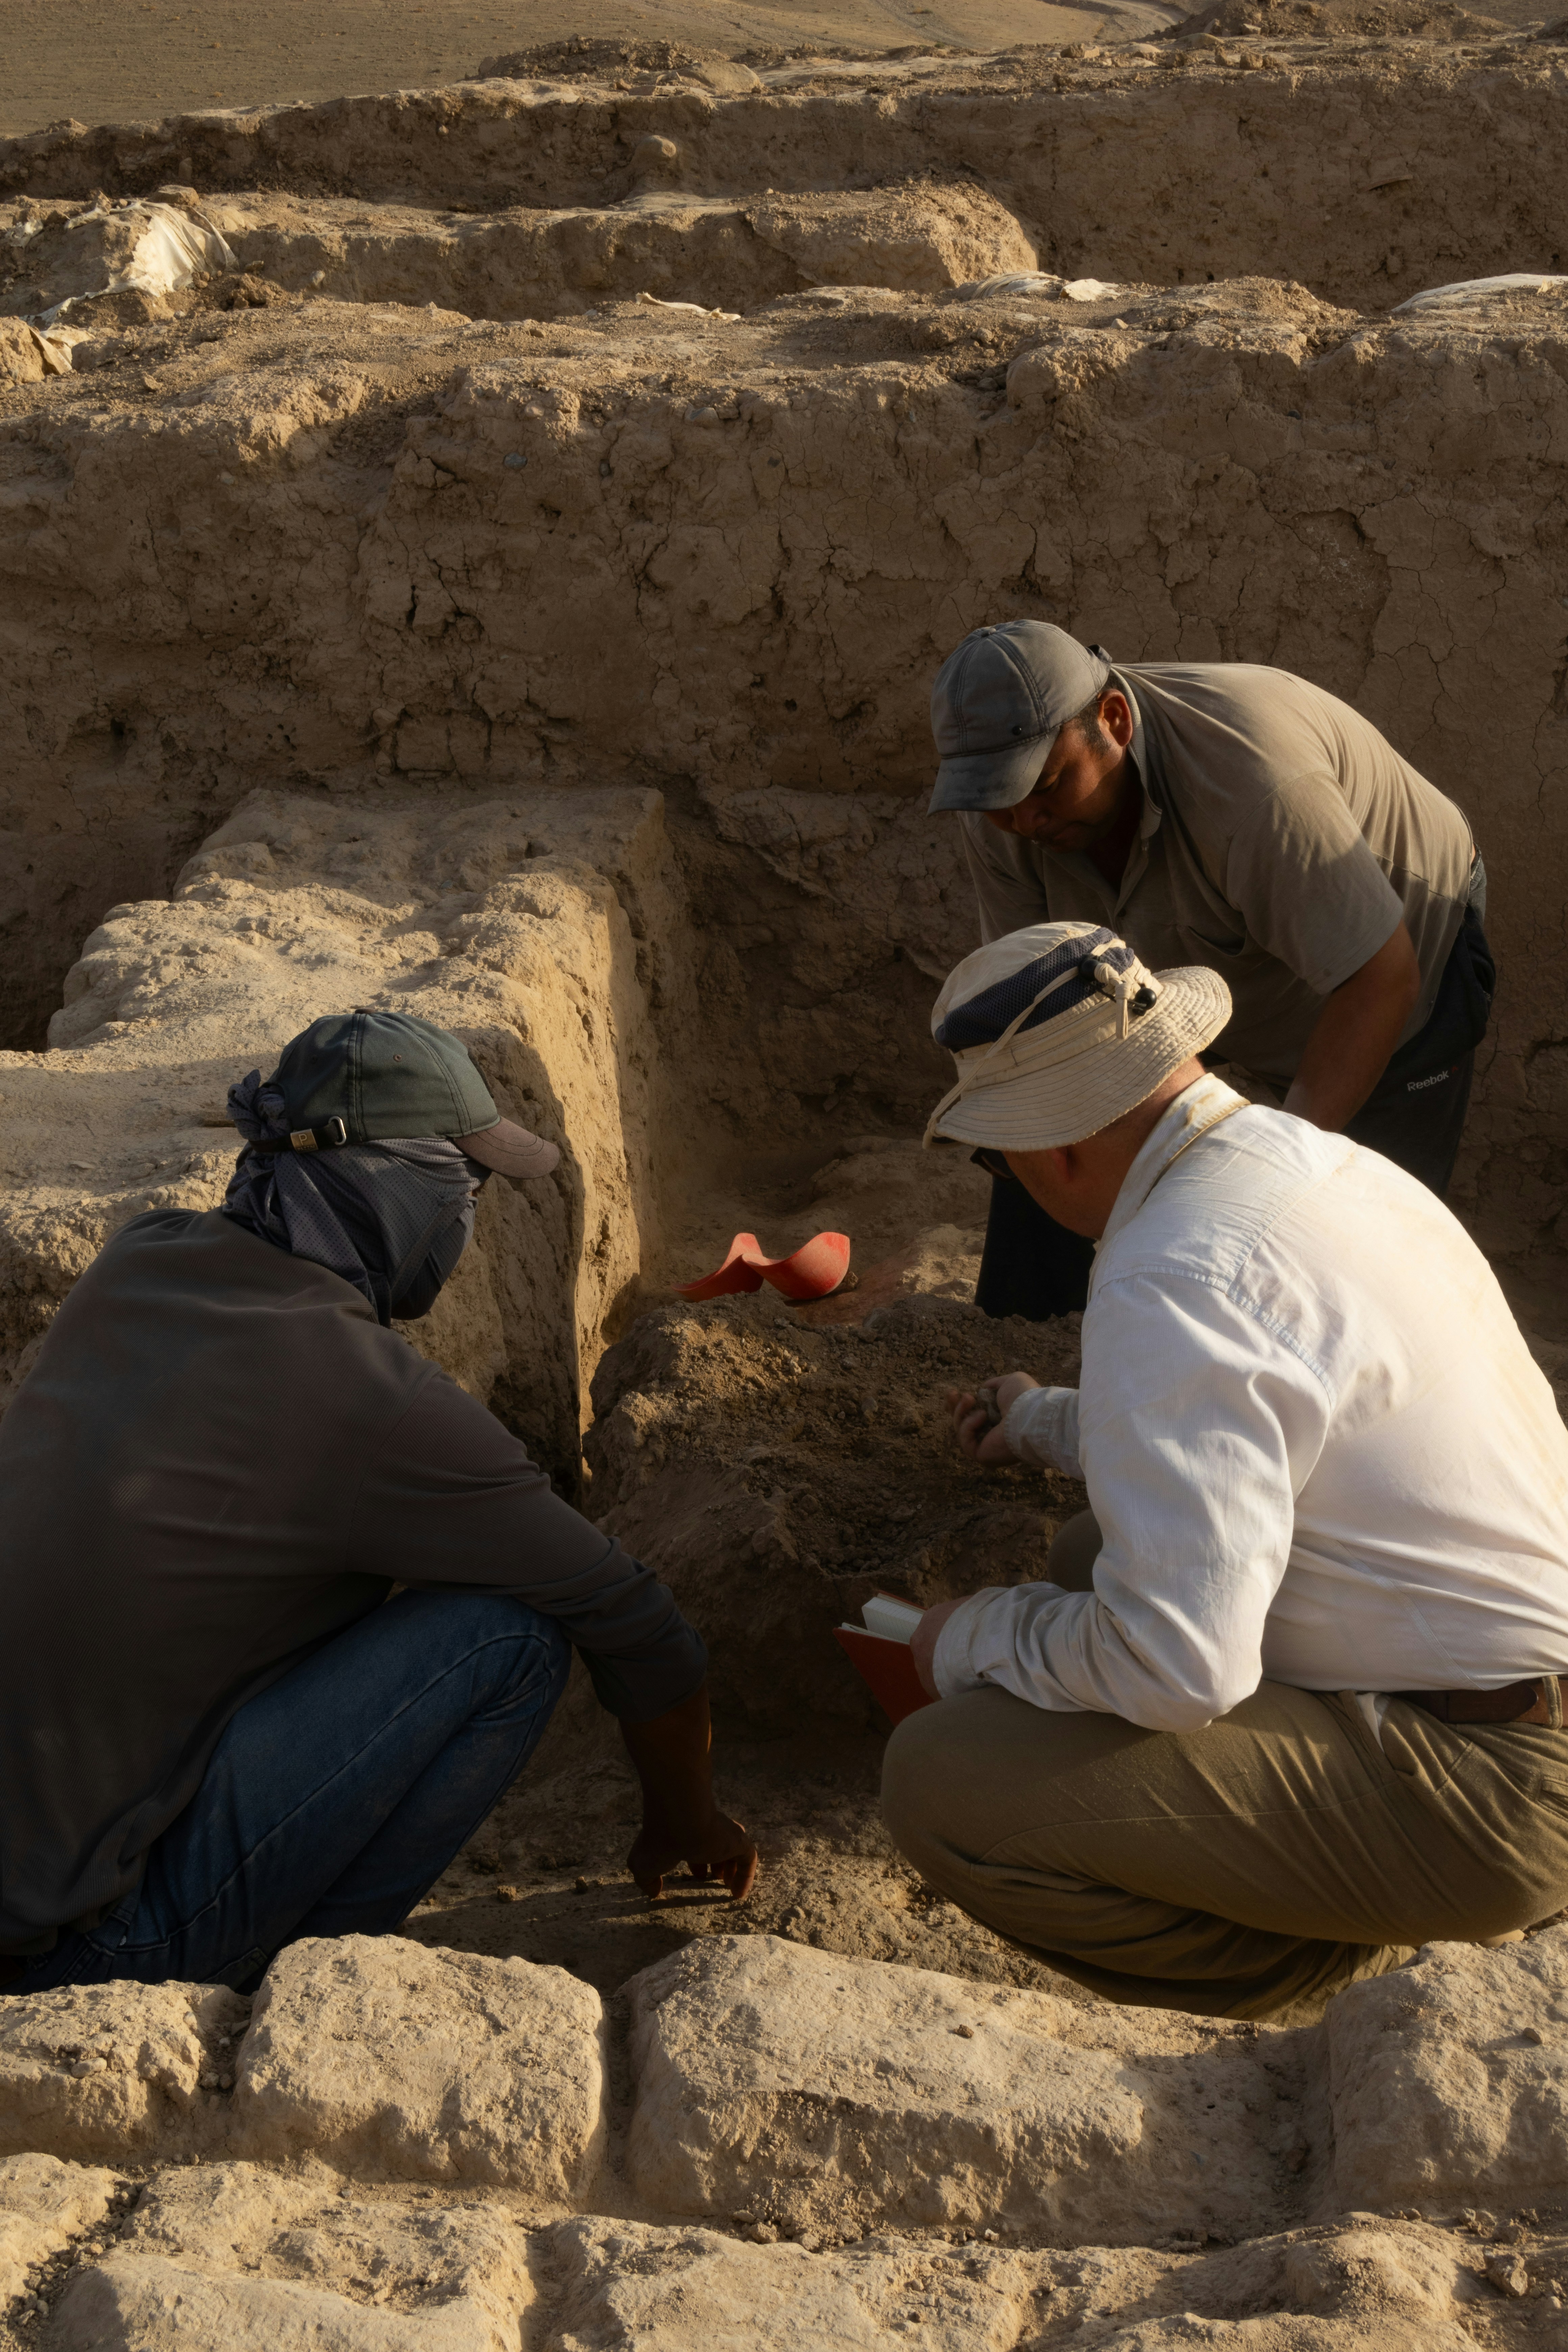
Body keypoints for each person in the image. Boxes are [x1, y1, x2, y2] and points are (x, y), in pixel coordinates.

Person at [881, 921, 1568, 2021]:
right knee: (1089, 1551)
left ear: (1053, 1147)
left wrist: (968, 1635)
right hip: (1512, 1685)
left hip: (1497, 1790)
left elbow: (1176, 1669)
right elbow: (1269, 1405)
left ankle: (1337, 1981)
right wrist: (1050, 1424)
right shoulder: (1311, 1166)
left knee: (941, 1777)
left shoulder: (1169, 1276)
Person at [0, 1009, 756, 1995]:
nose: (471, 1217)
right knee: (508, 1639)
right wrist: (684, 1820)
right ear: (396, 1182)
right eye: (467, 1182)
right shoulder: (370, 1400)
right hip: (84, 1953)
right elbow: (647, 1631)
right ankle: (279, 1980)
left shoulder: (137, 1261)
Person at [928, 622, 1495, 1319]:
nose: (1023, 818)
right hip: (1198, 955)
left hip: (1394, 957)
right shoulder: (1011, 809)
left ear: (1113, 721)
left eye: (1044, 786)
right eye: (997, 801)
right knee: (1048, 1123)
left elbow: (1380, 979)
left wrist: (1274, 1172)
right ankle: (1029, 1330)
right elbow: (1039, 1018)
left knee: (1350, 1237)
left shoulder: (1251, 784)